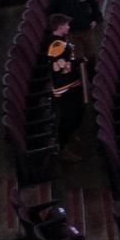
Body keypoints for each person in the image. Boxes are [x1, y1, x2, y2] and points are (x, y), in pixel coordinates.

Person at [44, 16, 86, 158]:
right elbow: (59, 67)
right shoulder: (55, 45)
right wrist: (78, 62)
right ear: (60, 26)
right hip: (64, 88)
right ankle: (63, 148)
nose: (68, 26)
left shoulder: (61, 40)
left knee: (78, 110)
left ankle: (72, 134)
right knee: (67, 118)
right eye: (66, 24)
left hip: (71, 84)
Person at [50, 0, 101, 67]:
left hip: (85, 27)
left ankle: (91, 71)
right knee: (76, 54)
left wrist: (96, 19)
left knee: (90, 51)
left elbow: (94, 4)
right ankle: (82, 74)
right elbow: (51, 11)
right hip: (70, 31)